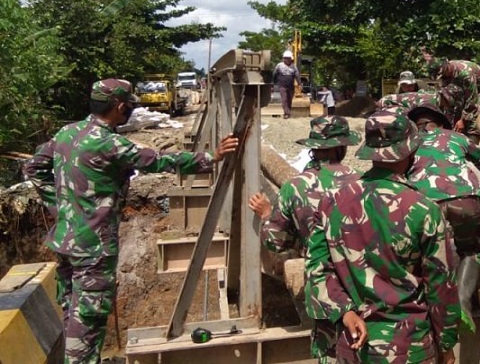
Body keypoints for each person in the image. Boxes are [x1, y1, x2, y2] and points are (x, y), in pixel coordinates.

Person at [23, 78, 239, 364]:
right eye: (129, 107)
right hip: (93, 248)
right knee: (89, 316)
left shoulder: (67, 133)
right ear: (120, 107)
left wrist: (59, 207)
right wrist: (211, 156)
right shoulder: (109, 144)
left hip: (66, 240)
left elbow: (34, 167)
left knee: (72, 308)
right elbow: (159, 160)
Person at [305, 110, 460, 363]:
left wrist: (345, 312)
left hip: (353, 343)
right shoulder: (424, 209)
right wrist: (446, 343)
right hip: (409, 348)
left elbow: (317, 267)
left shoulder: (331, 202)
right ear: (409, 152)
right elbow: (441, 286)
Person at [248, 115, 360, 363]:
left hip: (325, 286)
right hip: (362, 281)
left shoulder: (295, 187)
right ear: (343, 147)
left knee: (330, 350)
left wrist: (267, 215)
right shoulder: (362, 181)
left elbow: (276, 243)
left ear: (313, 147)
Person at [406, 102, 480, 332]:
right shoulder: (456, 137)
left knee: (424, 252)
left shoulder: (409, 142)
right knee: (471, 249)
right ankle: (463, 301)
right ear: (441, 123)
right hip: (465, 199)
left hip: (425, 202)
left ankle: (428, 306)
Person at [426, 56, 480, 143]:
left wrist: (463, 120)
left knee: (476, 113)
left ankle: (473, 143)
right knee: (458, 111)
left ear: (447, 65)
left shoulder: (465, 73)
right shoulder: (445, 75)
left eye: (444, 73)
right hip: (466, 88)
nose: (443, 76)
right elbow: (448, 100)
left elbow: (472, 101)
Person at [273, 50, 303, 119]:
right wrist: (273, 84)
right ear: (284, 58)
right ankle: (286, 113)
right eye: (286, 58)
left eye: (289, 58)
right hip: (282, 86)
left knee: (289, 100)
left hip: (290, 86)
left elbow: (297, 75)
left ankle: (288, 112)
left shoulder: (293, 66)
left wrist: (299, 84)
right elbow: (274, 74)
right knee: (284, 100)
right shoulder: (279, 65)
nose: (287, 60)